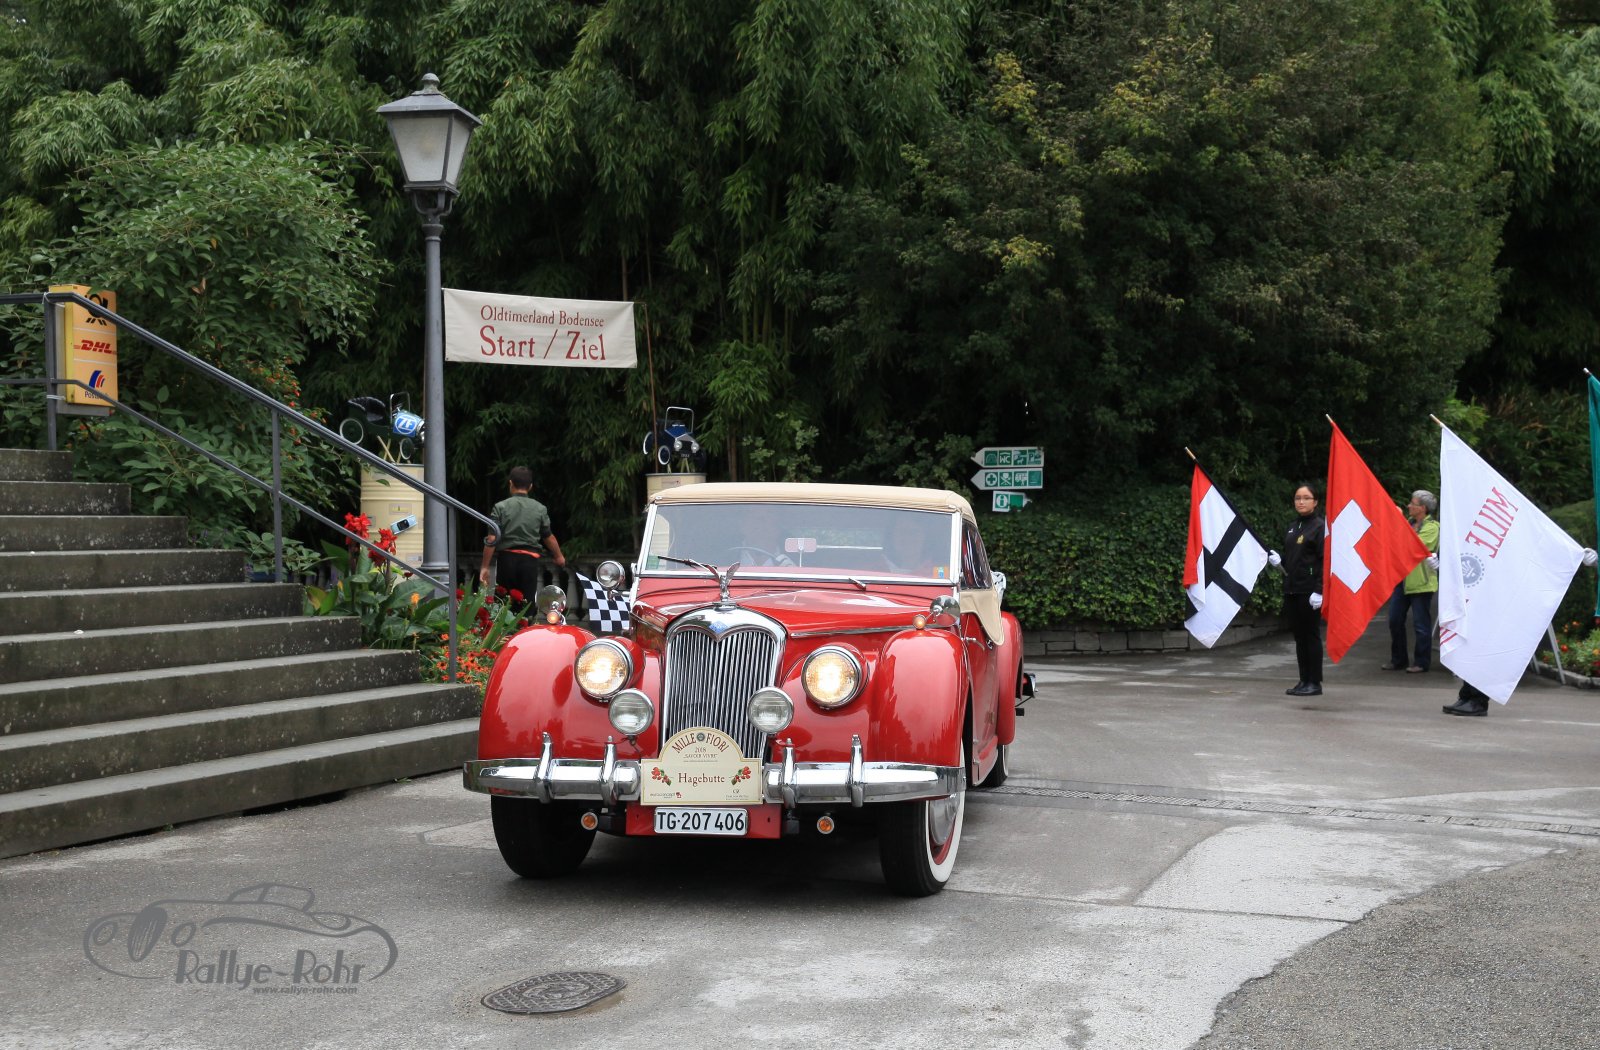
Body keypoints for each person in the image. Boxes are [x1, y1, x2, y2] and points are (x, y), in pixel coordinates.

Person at [1268, 483, 1326, 697]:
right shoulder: (1294, 526)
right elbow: (1294, 558)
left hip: (1309, 591)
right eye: (1297, 498)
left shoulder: (1319, 527)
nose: (1301, 502)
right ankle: (1304, 679)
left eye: (1306, 498)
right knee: (1299, 637)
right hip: (1292, 588)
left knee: (1311, 635)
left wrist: (1320, 590)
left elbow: (1325, 561)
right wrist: (1280, 561)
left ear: (1315, 502)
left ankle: (1315, 682)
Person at [479, 465, 565, 600]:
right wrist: (559, 556)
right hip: (529, 562)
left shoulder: (500, 507)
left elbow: (492, 539)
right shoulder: (539, 508)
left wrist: (485, 567)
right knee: (526, 604)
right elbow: (548, 536)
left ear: (510, 483)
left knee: (503, 604)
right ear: (530, 486)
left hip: (506, 561)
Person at [1383, 490, 1440, 673]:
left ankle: (1421, 662)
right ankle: (1398, 659)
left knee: (1421, 624)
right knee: (1394, 620)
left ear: (1423, 508)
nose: (1409, 506)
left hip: (1421, 582)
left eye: (1412, 503)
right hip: (1402, 580)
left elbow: (1413, 547)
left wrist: (1398, 522)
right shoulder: (1408, 524)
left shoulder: (1433, 527)